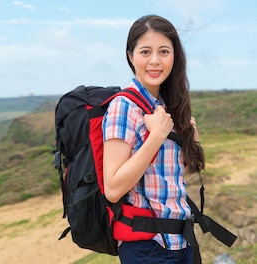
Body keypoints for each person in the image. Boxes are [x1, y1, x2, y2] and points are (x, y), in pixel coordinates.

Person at [102, 15, 204, 263]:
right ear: (131, 56)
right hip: (148, 248)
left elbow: (188, 170)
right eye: (145, 52)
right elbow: (113, 189)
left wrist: (191, 136)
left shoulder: (166, 107)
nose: (155, 61)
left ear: (175, 56)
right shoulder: (123, 107)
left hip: (181, 242)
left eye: (164, 51)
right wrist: (156, 137)